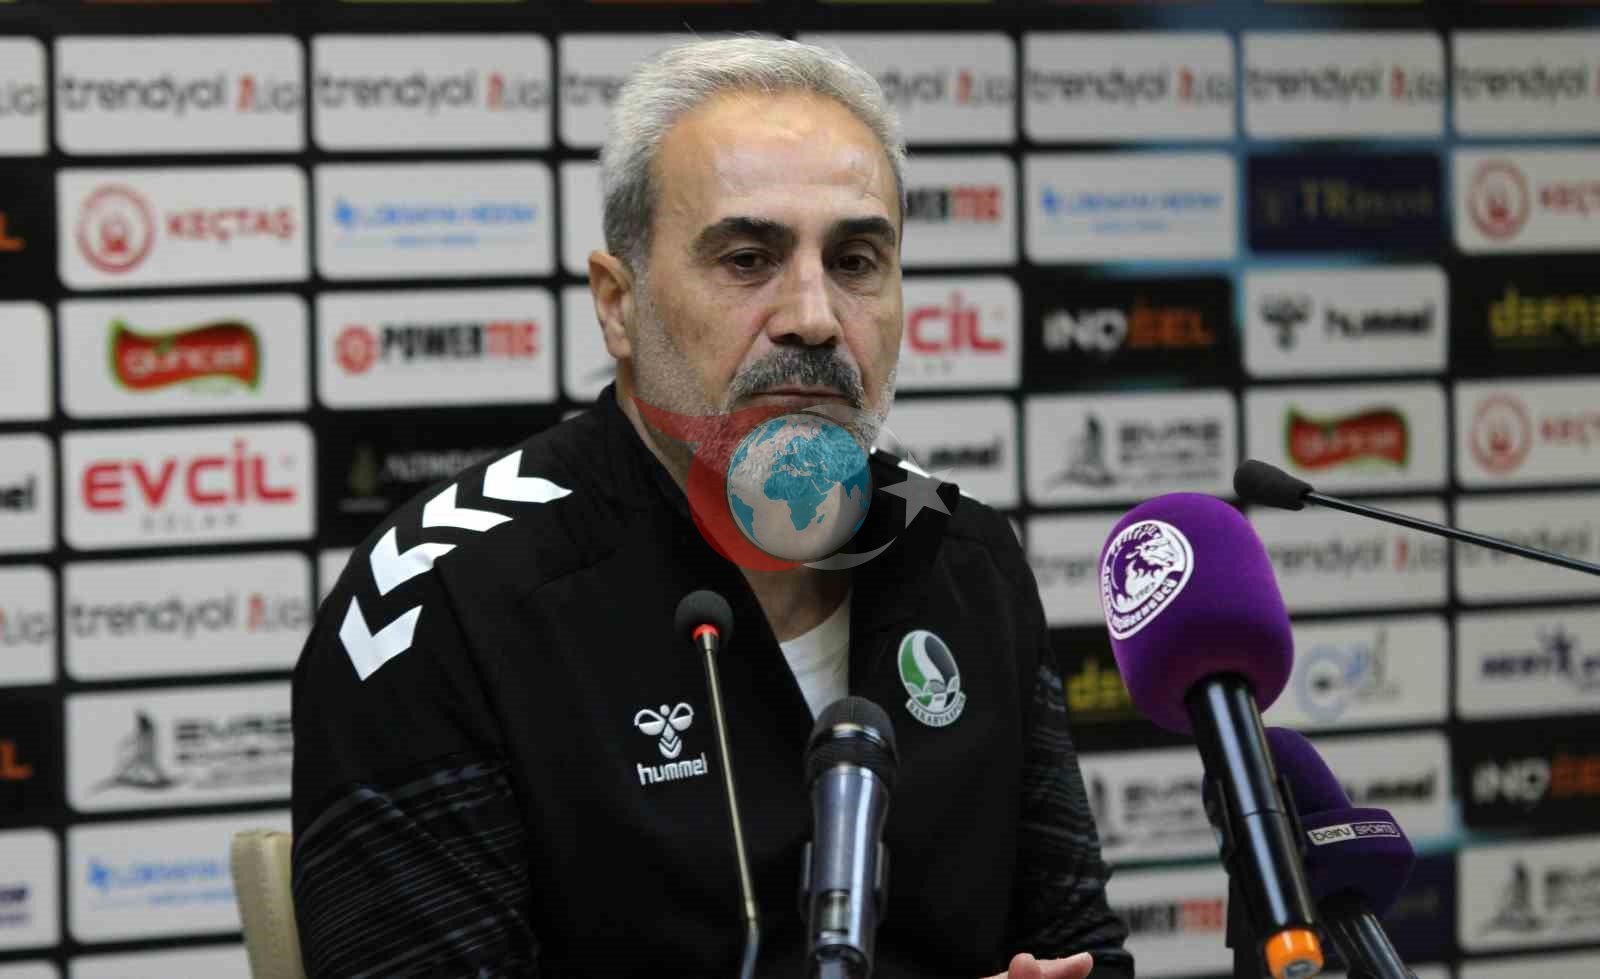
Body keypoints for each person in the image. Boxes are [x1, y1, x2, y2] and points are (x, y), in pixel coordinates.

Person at [291, 38, 1132, 979]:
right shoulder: (442, 598)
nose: (813, 316)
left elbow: (1080, 947)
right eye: (747, 258)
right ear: (619, 304)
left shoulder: (962, 550)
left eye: (855, 260)